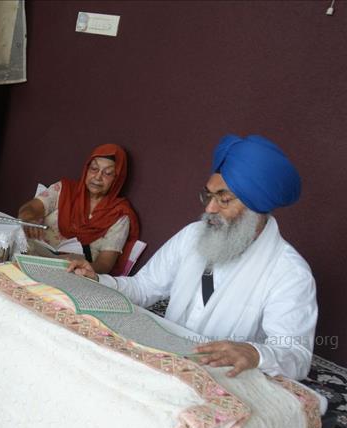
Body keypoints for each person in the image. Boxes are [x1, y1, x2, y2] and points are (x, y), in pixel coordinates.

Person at [67, 134, 315, 380]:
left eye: (224, 200)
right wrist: (98, 281)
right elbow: (145, 287)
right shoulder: (193, 234)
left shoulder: (289, 272)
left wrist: (255, 354)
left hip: (222, 381)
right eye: (208, 196)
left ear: (256, 209)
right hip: (166, 361)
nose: (209, 208)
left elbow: (296, 355)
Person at [16, 143, 140, 275]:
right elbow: (29, 208)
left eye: (107, 173)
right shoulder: (64, 190)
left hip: (72, 273)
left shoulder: (119, 214)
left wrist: (83, 267)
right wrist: (29, 219)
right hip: (32, 259)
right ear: (86, 170)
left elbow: (104, 264)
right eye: (94, 169)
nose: (98, 177)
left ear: (117, 179)